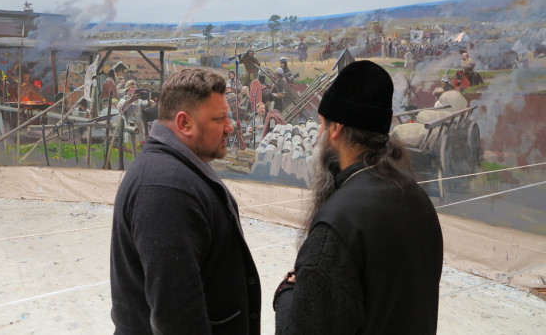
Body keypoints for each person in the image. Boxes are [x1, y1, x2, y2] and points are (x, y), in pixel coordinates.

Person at [274, 60, 443, 334]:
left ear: (336, 129)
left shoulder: (336, 227)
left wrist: (287, 292)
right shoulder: (417, 198)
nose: (319, 136)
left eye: (322, 126)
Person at [110, 68, 261, 335]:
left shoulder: (176, 170)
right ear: (184, 123)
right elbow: (176, 318)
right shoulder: (164, 189)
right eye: (219, 119)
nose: (230, 127)